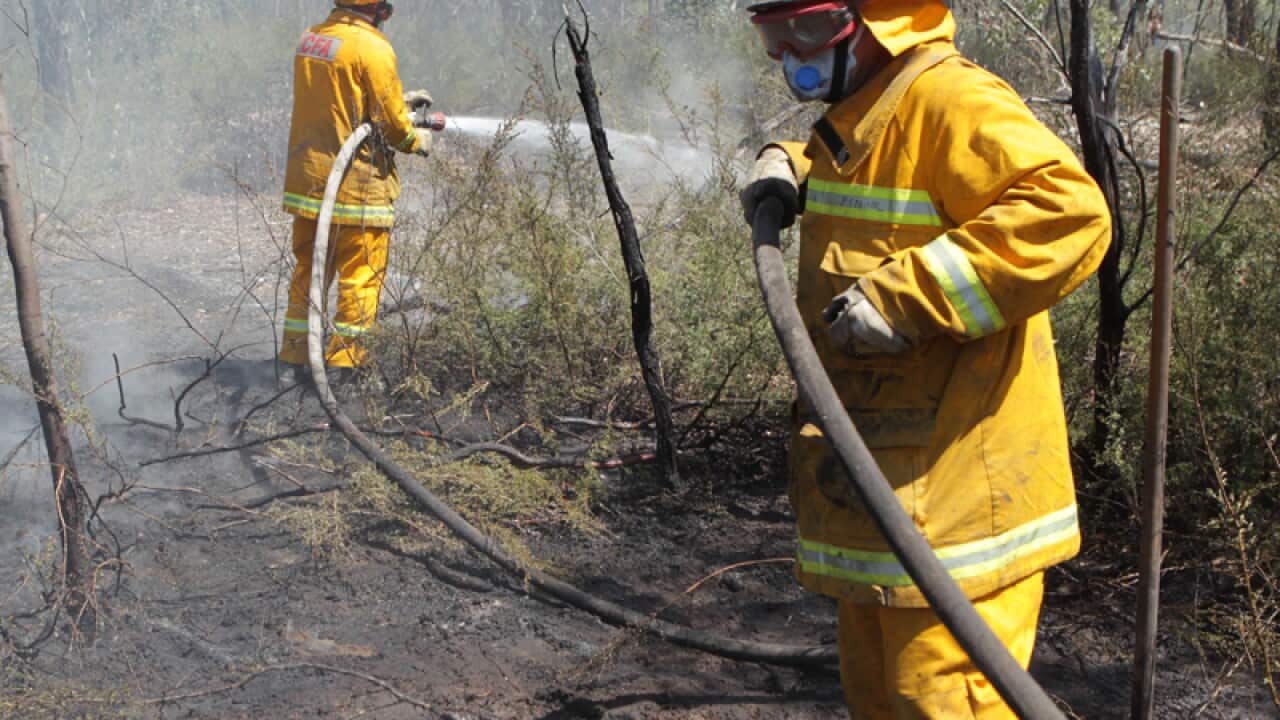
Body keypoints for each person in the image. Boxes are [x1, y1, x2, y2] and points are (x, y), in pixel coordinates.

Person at [739, 1, 1111, 717]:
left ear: (887, 16)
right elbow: (870, 165)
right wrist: (793, 160)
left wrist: (910, 297)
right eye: (773, 34)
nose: (791, 54)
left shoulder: (950, 98)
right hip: (883, 511)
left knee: (934, 702)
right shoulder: (868, 110)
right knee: (881, 702)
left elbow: (1069, 213)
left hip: (958, 525)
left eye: (808, 29)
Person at [280, 0, 433, 380]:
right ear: (379, 9)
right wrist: (417, 139)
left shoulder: (312, 39)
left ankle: (292, 360)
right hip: (357, 186)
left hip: (310, 182)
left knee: (309, 271)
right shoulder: (373, 48)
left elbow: (341, 99)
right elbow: (392, 127)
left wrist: (400, 102)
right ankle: (344, 366)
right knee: (359, 277)